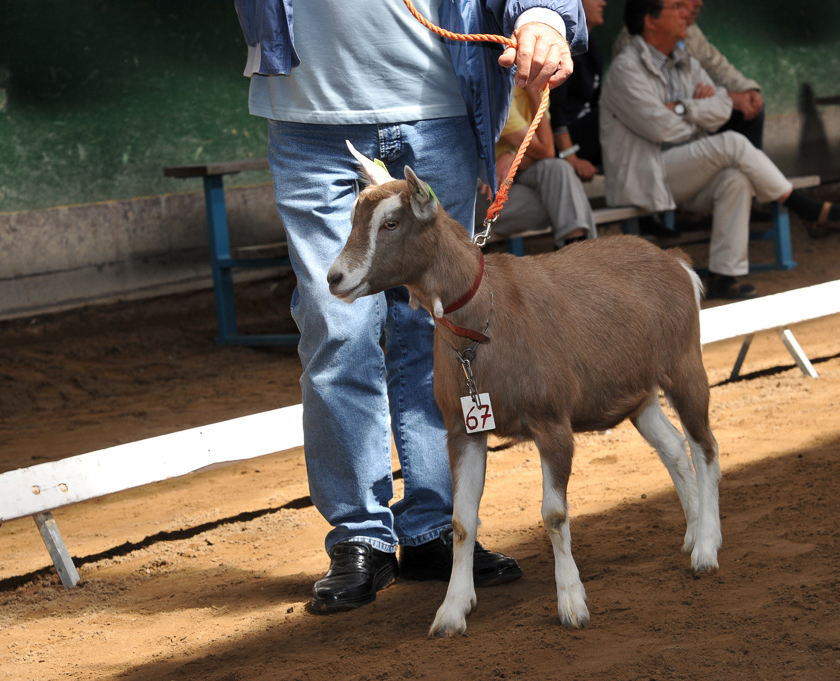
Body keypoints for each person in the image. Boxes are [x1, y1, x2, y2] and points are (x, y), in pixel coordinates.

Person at [234, 0, 588, 614]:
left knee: (443, 329)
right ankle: (359, 539)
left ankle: (435, 528)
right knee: (335, 328)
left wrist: (545, 16)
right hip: (310, 115)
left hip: (439, 108)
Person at [601, 0, 840, 299]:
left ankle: (725, 274)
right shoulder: (625, 69)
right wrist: (699, 111)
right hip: (642, 176)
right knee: (731, 144)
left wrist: (682, 107)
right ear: (649, 20)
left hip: (682, 170)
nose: (686, 13)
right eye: (676, 6)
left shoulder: (684, 60)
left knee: (736, 178)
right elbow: (662, 128)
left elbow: (722, 107)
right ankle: (804, 208)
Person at [613, 0, 766, 149]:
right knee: (732, 148)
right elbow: (659, 119)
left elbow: (715, 68)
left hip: (691, 124)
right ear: (651, 20)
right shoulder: (631, 51)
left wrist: (744, 90)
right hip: (658, 149)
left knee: (747, 111)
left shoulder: (687, 34)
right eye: (678, 5)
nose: (699, 3)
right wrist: (694, 107)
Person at [490, 84, 597, 248]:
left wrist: (513, 154)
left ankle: (576, 254)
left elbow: (546, 153)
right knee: (566, 200)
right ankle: (581, 254)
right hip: (489, 188)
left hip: (519, 174)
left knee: (559, 169)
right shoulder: (499, 91)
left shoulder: (539, 89)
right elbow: (546, 151)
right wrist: (533, 94)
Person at [549, 0, 607, 179]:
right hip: (565, 141)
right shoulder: (561, 41)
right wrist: (570, 157)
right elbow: (554, 109)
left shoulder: (591, 44)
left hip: (592, 137)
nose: (603, 3)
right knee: (615, 115)